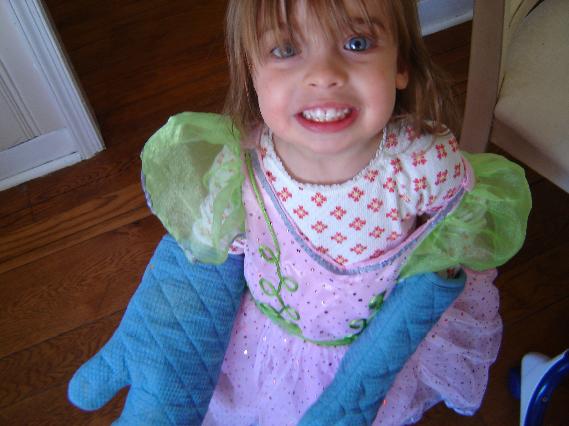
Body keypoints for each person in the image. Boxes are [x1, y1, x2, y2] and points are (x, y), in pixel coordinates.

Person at [68, 1, 531, 425]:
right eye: (286, 49)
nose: (323, 74)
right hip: (258, 343)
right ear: (250, 72)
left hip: (360, 355)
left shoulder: (423, 166)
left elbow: (452, 237)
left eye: (357, 43)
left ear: (401, 66)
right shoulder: (240, 163)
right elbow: (206, 261)